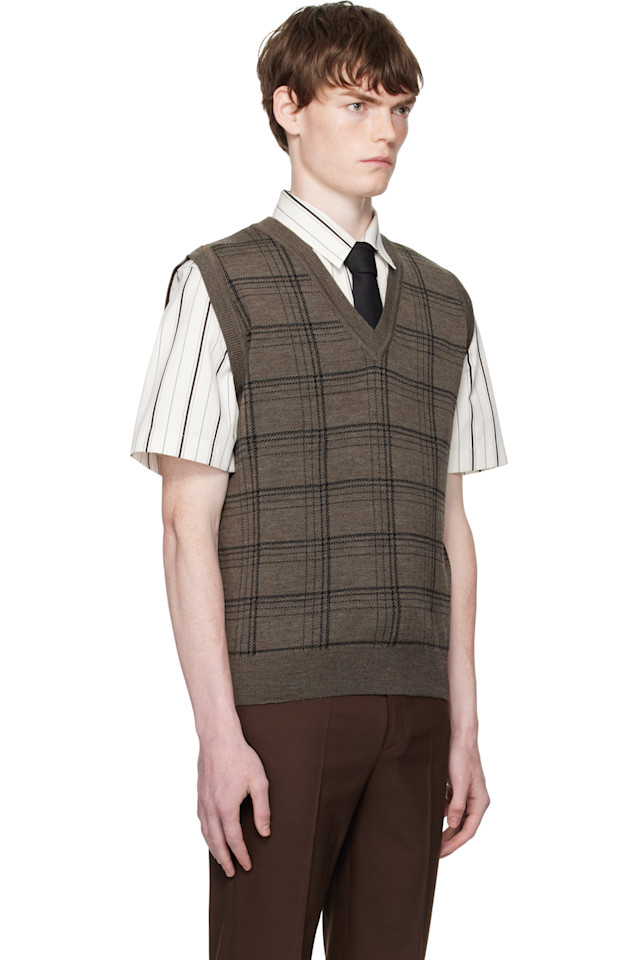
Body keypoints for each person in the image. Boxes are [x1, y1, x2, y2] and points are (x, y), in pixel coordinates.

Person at [130, 3, 508, 957]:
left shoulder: (445, 302)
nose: (387, 132)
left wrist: (464, 725)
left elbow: (450, 525)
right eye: (357, 104)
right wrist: (219, 735)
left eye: (399, 108)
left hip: (414, 708)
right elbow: (183, 523)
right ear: (287, 108)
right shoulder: (216, 283)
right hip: (278, 709)